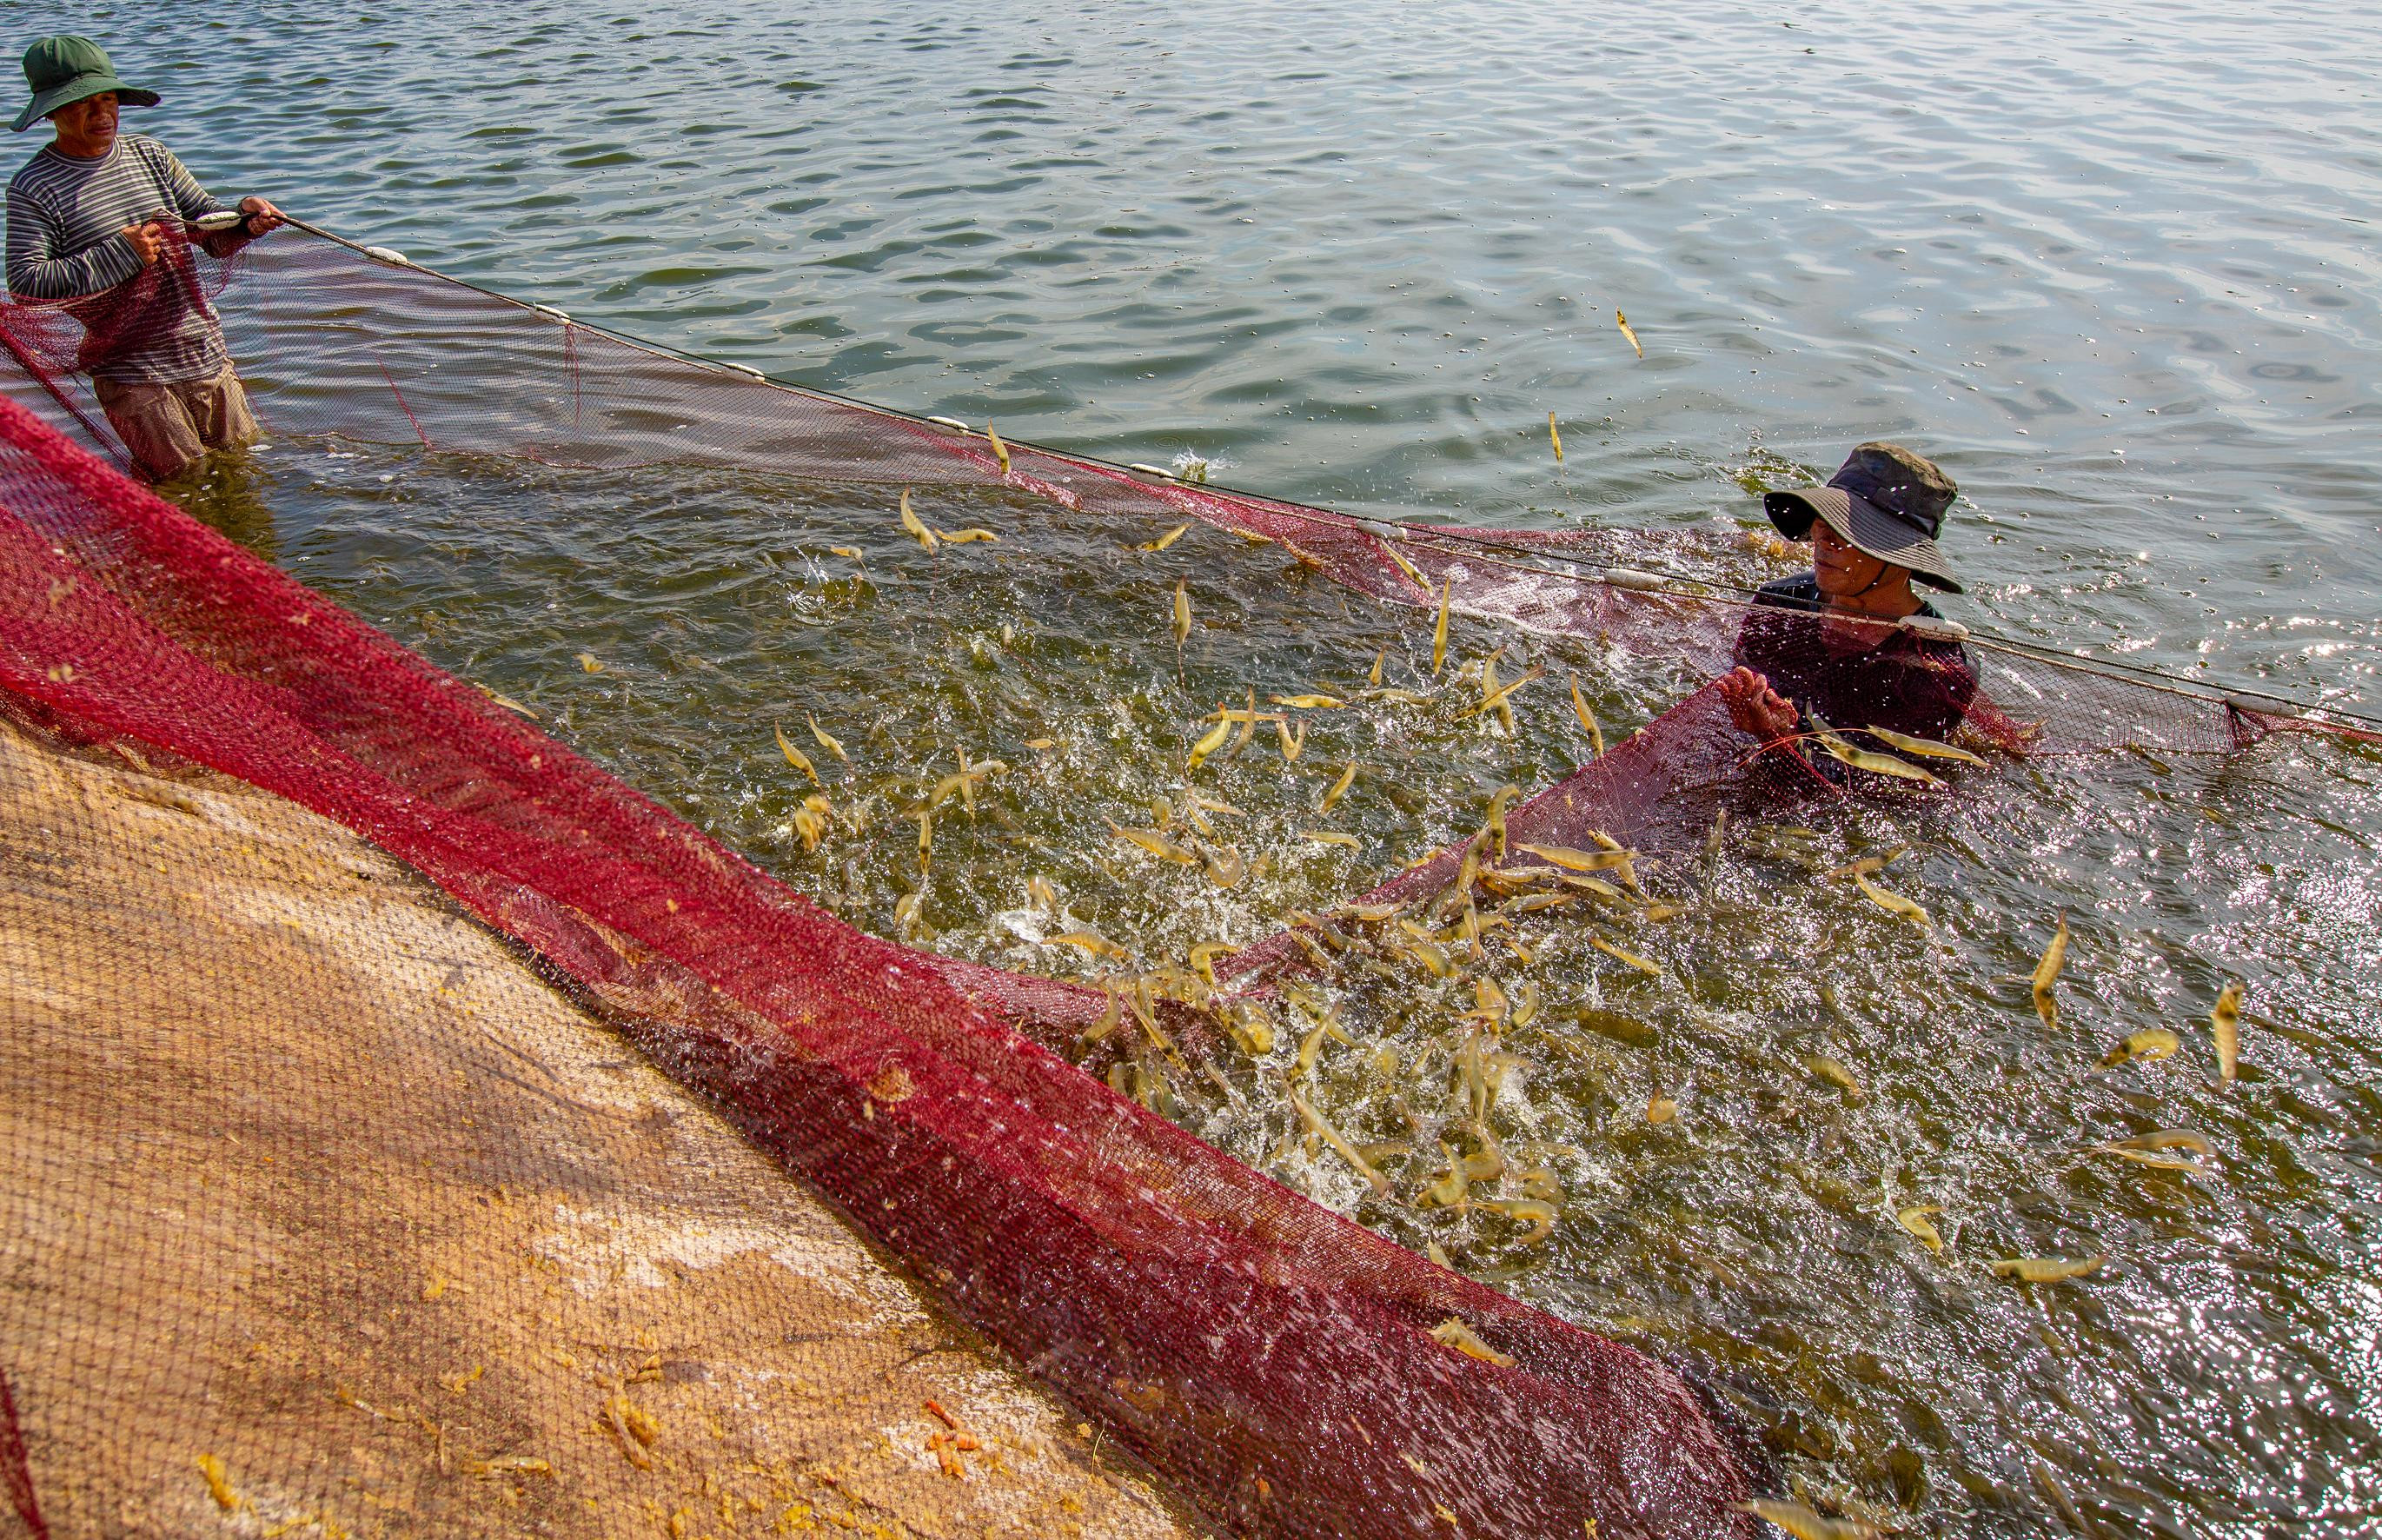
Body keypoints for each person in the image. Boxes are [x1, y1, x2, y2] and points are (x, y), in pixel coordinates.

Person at [4, 35, 284, 481]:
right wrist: (122, 254)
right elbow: (26, 285)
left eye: (108, 98)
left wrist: (244, 217)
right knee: (185, 486)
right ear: (52, 112)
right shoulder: (34, 187)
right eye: (83, 104)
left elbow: (205, 225)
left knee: (243, 474)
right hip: (133, 374)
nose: (102, 114)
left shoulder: (150, 156)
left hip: (205, 352)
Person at [1717, 441, 1977, 747]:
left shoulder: (1935, 670)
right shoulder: (1779, 603)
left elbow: (1865, 783)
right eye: (1822, 523)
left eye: (1849, 532)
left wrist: (1778, 737)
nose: (1824, 542)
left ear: (1898, 553)